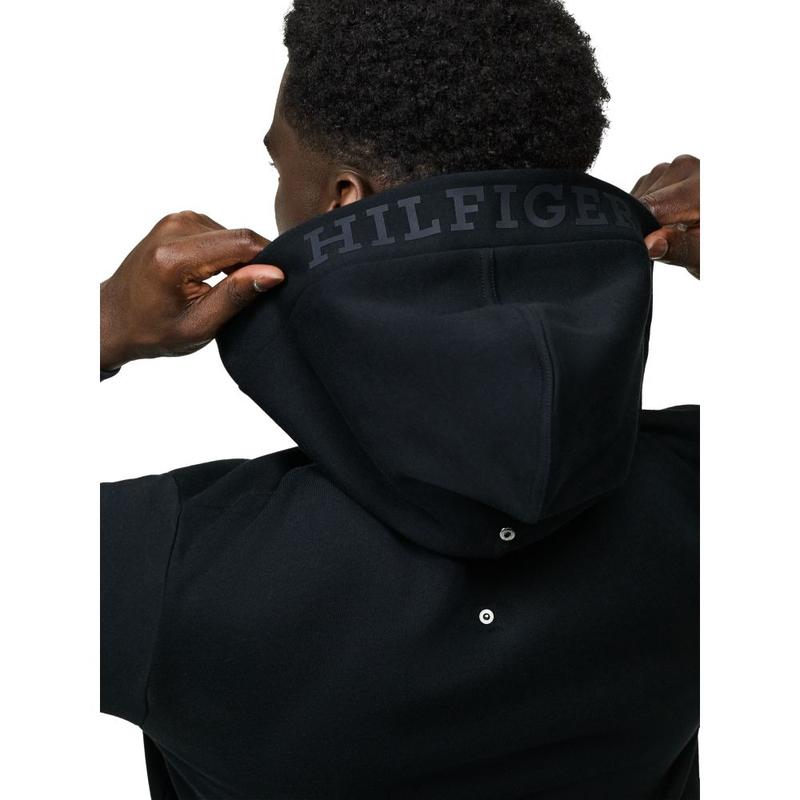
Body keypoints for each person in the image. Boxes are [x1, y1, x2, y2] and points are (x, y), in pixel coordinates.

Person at [100, 2, 700, 798]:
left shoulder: (162, 566)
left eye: (281, 168)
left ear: (343, 198)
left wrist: (101, 327)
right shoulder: (709, 500)